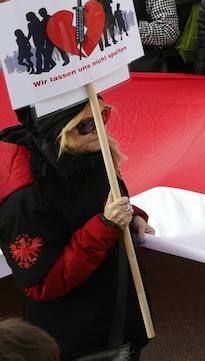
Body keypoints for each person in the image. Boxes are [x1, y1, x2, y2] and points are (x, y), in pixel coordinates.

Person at [0, 99, 155, 359]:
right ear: (58, 130)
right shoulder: (23, 200)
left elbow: (98, 203)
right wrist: (106, 226)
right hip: (77, 338)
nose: (98, 129)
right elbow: (44, 282)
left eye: (101, 116)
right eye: (84, 125)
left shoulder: (90, 153)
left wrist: (131, 215)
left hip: (115, 317)